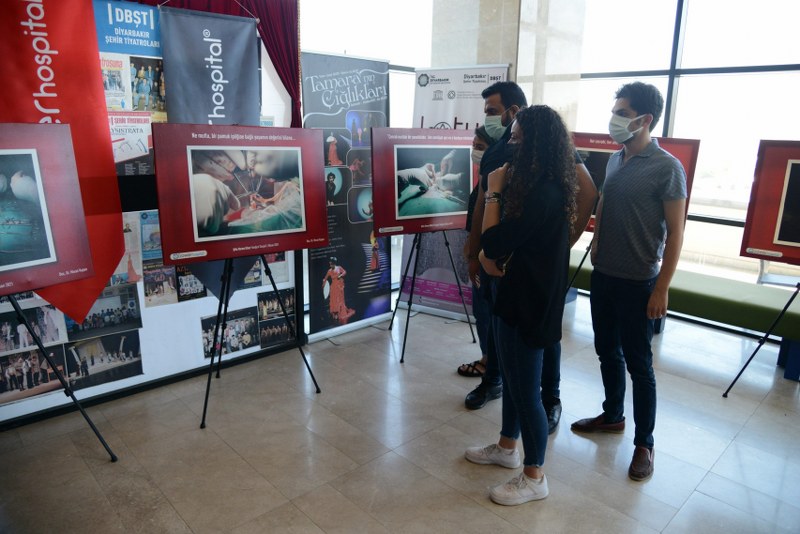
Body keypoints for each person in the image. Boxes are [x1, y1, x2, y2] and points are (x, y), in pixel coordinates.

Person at [462, 81, 598, 435]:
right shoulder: (498, 148)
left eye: (493, 110)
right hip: (496, 252)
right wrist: (473, 249)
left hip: (527, 262)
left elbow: (588, 191)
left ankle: (549, 399)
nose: (488, 118)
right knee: (494, 322)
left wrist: (557, 244)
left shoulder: (546, 147)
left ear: (514, 111)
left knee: (540, 337)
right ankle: (493, 379)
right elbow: (483, 198)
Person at [571, 82, 687, 482]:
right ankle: (613, 415)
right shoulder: (617, 159)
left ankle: (645, 444)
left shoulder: (668, 168)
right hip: (604, 275)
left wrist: (661, 289)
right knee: (606, 351)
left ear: (645, 119)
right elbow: (604, 205)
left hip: (640, 283)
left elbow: (676, 233)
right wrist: (598, 243)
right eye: (616, 111)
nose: (615, 119)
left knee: (640, 365)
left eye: (622, 112)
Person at [465, 105, 578, 506]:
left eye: (516, 139)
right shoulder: (538, 184)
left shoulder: (545, 191)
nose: (510, 146)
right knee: (512, 382)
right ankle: (507, 447)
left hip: (530, 302)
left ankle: (534, 476)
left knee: (527, 391)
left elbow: (494, 243)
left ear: (536, 145)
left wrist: (493, 190)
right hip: (516, 293)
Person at [456, 126, 497, 379]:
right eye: (473, 145)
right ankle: (488, 357)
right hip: (478, 255)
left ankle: (490, 362)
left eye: (480, 147)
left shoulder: (497, 178)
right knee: (481, 310)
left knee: (485, 310)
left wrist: (476, 253)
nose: (474, 151)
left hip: (487, 258)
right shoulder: (484, 176)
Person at [322, 257, 355, 324]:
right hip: (334, 286)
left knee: (339, 299)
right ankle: (335, 314)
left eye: (331, 264)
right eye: (330, 264)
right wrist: (323, 284)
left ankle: (339, 313)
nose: (330, 265)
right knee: (334, 299)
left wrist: (340, 275)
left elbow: (345, 272)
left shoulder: (339, 268)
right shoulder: (329, 271)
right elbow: (325, 278)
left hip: (339, 285)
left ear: (334, 263)